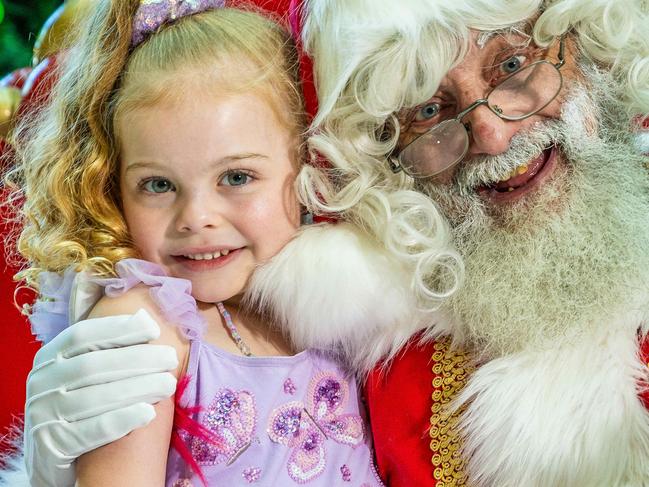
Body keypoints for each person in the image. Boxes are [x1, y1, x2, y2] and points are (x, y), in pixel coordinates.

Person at [12, 0, 649, 486]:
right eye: (427, 110)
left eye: (513, 65)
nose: (490, 132)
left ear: (588, 45)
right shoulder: (378, 347)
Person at [3, 0, 462, 485]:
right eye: (158, 185)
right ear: (113, 185)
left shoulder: (328, 313)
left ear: (309, 166)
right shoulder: (147, 326)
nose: (197, 218)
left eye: (237, 177)